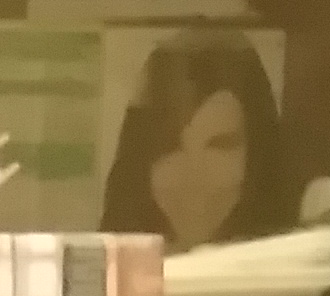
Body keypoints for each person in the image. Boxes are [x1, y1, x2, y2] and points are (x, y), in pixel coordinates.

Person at [100, 28, 293, 253]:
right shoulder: (108, 268)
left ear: (257, 153)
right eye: (171, 147)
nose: (194, 175)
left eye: (219, 146)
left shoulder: (295, 267)